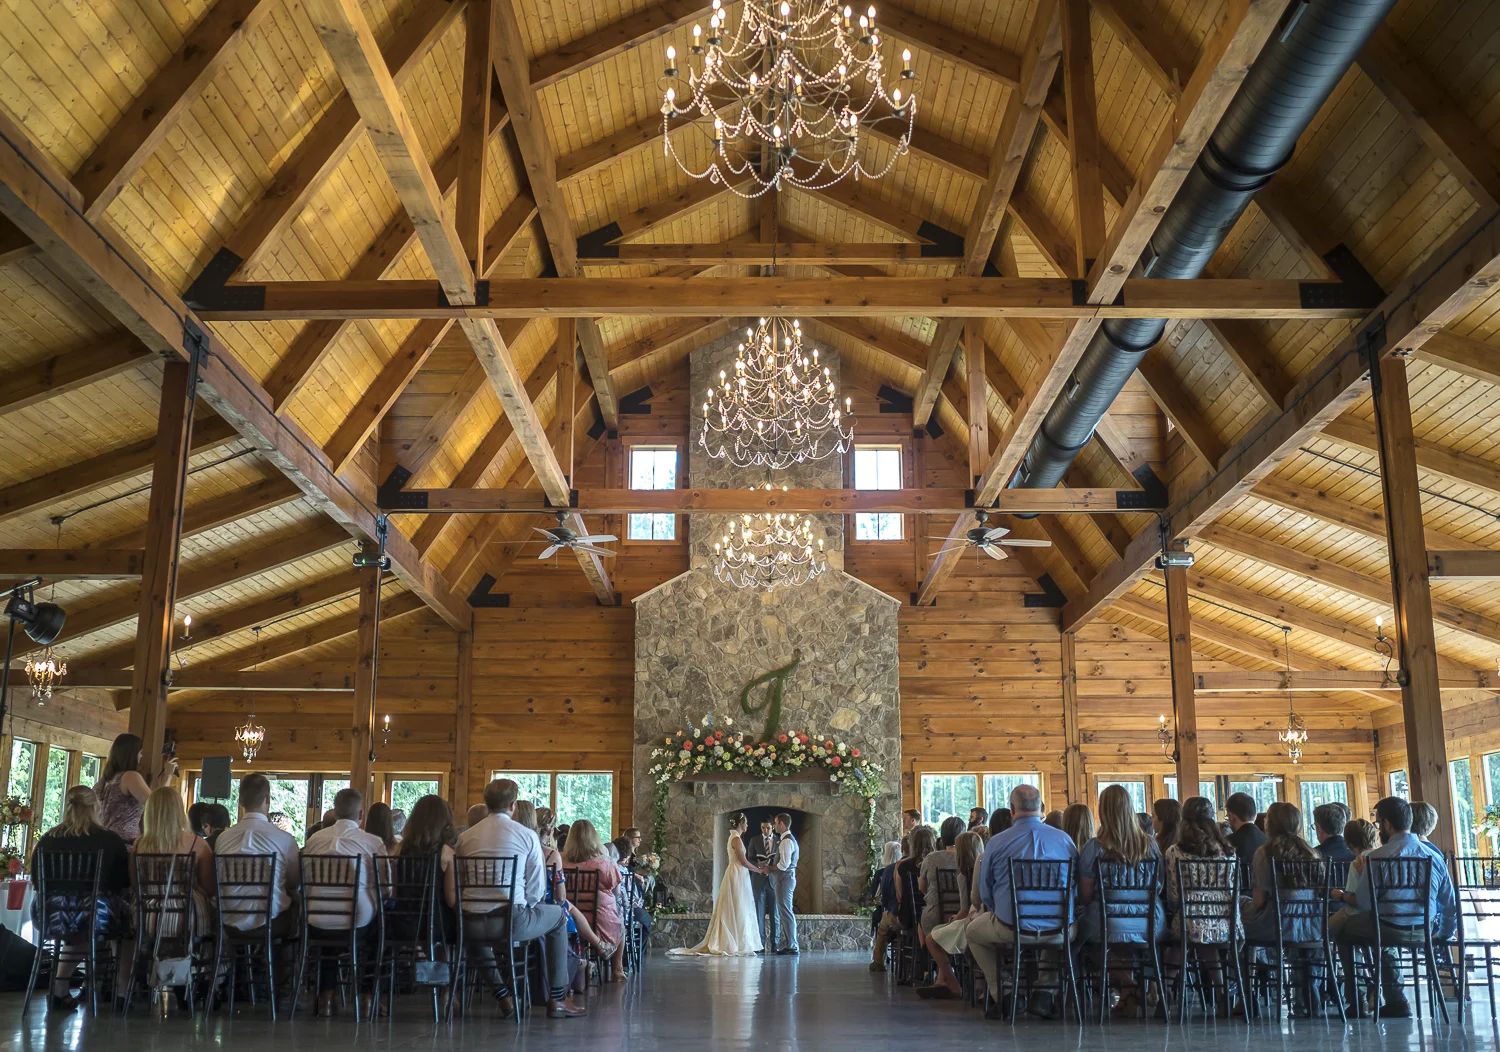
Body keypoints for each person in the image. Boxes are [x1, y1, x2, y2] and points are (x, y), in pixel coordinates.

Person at [456, 779, 586, 1018]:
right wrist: (524, 907)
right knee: (558, 916)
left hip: (470, 922)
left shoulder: (466, 838)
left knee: (477, 935)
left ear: (486, 803)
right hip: (511, 920)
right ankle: (557, 998)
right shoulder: (526, 835)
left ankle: (503, 996)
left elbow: (461, 882)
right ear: (513, 805)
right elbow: (536, 891)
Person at [1332, 796, 1457, 1017]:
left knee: (1346, 933)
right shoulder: (1434, 857)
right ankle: (1395, 1000)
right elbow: (1449, 904)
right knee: (1381, 933)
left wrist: (1362, 880)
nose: (1379, 828)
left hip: (1386, 928)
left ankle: (1358, 1001)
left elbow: (1363, 903)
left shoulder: (1379, 858)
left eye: (1379, 823)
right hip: (1424, 931)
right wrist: (1442, 934)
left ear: (1388, 825)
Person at [967, 784, 1078, 1019]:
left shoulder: (996, 843)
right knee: (1068, 930)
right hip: (1058, 929)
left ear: (1012, 808)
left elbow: (986, 892)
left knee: (972, 932)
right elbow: (1075, 886)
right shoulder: (1065, 841)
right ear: (1040, 808)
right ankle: (1045, 991)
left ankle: (1007, 993)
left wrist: (1001, 911)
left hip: (1011, 927)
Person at [31, 786, 131, 1012]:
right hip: (92, 915)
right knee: (129, 927)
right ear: (96, 807)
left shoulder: (48, 839)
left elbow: (37, 882)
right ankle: (121, 992)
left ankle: (61, 988)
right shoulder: (109, 840)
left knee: (81, 924)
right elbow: (122, 884)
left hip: (48, 913)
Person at [1077, 785, 1166, 1015]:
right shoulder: (1151, 845)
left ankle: (1129, 986)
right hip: (1149, 921)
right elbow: (1158, 886)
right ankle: (1130, 992)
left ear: (1103, 811)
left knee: (1084, 944)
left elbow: (1086, 895)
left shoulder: (1094, 847)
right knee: (1123, 941)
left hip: (1108, 921)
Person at [214, 772, 302, 936]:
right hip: (271, 922)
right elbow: (294, 880)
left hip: (228, 922)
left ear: (240, 801)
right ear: (267, 799)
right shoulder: (285, 839)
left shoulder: (222, 839)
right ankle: (278, 959)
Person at [668, 812, 763, 957]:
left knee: (739, 905)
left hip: (738, 873)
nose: (747, 825)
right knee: (736, 904)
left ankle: (739, 940)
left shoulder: (734, 837)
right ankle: (732, 941)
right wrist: (759, 870)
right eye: (746, 822)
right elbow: (743, 861)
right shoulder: (736, 839)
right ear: (740, 823)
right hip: (737, 873)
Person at [133, 786, 215, 930]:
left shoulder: (139, 845)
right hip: (188, 915)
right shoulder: (197, 843)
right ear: (179, 812)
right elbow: (209, 888)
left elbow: (135, 884)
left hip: (146, 915)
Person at [1241, 802, 1322, 946]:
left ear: (1271, 824)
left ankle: (1254, 966)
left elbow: (1259, 901)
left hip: (1275, 926)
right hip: (1311, 924)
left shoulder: (1265, 852)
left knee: (1239, 906)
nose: (1264, 820)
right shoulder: (1312, 853)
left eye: (1267, 818)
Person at [921, 830, 985, 998]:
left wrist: (954, 919)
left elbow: (965, 909)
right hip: (985, 918)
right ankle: (942, 981)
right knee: (946, 932)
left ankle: (952, 983)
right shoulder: (985, 867)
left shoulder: (964, 874)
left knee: (932, 938)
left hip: (971, 921)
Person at [561, 819, 628, 981]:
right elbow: (617, 891)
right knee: (621, 926)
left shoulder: (561, 860)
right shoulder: (605, 863)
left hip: (567, 917)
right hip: (599, 919)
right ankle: (617, 970)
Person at [94, 732, 177, 843]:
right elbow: (156, 804)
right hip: (123, 842)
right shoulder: (130, 776)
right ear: (132, 754)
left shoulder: (104, 780)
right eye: (140, 752)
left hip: (101, 839)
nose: (141, 756)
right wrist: (168, 775)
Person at [396, 794, 458, 943]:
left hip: (402, 922)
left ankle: (419, 957)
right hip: (437, 925)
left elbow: (394, 892)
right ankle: (439, 963)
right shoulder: (447, 853)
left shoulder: (400, 849)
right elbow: (451, 900)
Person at [868, 839, 903, 972]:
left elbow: (882, 897)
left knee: (883, 925)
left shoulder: (886, 871)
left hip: (895, 913)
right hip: (917, 914)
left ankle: (878, 961)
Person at [743, 818, 778, 951]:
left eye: (768, 828)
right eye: (763, 827)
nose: (765, 830)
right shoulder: (754, 840)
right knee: (759, 913)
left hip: (774, 880)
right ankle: (760, 943)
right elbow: (749, 858)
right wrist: (758, 864)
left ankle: (775, 943)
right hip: (758, 879)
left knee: (775, 914)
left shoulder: (779, 840)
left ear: (772, 827)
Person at [768, 813, 799, 955]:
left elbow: (784, 865)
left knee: (786, 911)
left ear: (781, 824)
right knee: (784, 910)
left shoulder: (786, 841)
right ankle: (790, 944)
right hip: (784, 878)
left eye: (775, 823)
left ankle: (792, 945)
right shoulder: (785, 840)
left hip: (784, 879)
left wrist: (769, 868)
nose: (773, 826)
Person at [1225, 792, 1267, 863]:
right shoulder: (1268, 841)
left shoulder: (1227, 843)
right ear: (1255, 815)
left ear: (1231, 816)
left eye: (1227, 817)